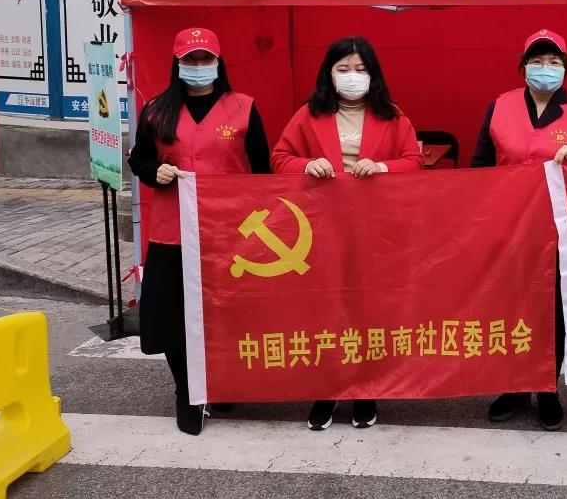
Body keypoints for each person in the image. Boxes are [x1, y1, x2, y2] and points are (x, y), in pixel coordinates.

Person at [272, 36, 424, 431]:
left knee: (368, 307)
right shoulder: (309, 115)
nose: (352, 76)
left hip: (375, 230)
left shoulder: (392, 116)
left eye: (360, 69)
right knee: (326, 307)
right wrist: (307, 165)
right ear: (329, 73)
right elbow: (280, 158)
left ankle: (365, 389)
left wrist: (383, 167)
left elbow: (414, 161)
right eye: (343, 69)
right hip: (322, 228)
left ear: (373, 74)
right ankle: (326, 389)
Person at [128, 27, 271, 436]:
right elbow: (139, 159)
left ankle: (221, 382)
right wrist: (155, 171)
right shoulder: (157, 110)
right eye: (190, 60)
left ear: (218, 62)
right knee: (173, 314)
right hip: (173, 230)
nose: (198, 66)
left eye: (205, 58)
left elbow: (263, 170)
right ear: (177, 64)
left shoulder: (243, 108)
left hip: (229, 232)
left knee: (226, 314)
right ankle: (187, 391)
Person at [471, 28, 567, 431]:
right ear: (523, 66)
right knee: (510, 305)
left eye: (553, 62)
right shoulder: (499, 107)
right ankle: (515, 385)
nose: (544, 68)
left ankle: (547, 387)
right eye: (537, 61)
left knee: (553, 311)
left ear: (565, 68)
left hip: (558, 228)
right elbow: (479, 166)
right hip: (507, 225)